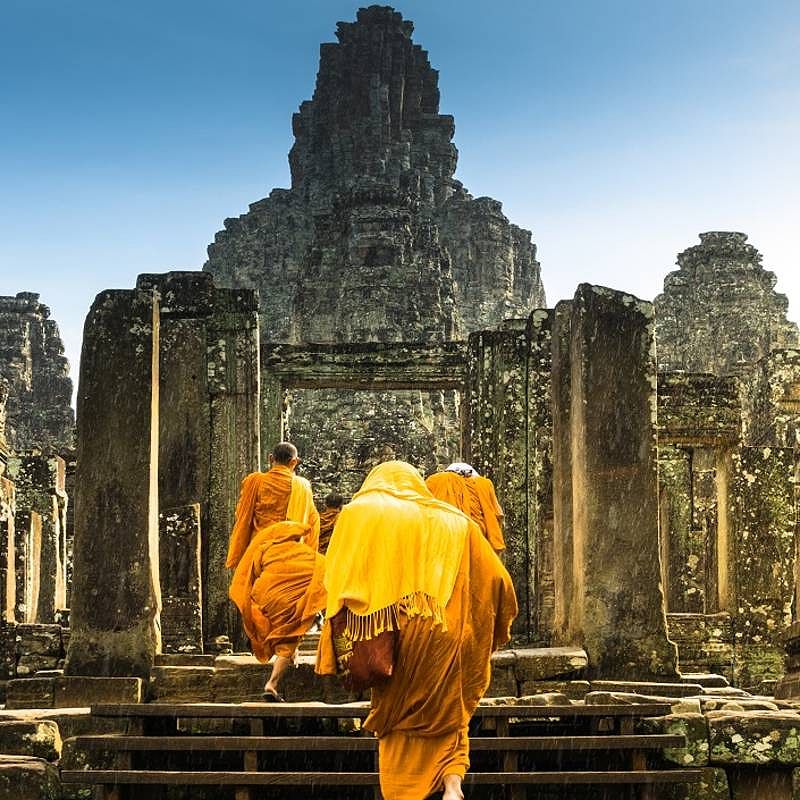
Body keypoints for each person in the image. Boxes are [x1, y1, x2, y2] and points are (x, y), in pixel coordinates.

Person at [316, 461, 517, 800]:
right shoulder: (456, 522)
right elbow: (499, 581)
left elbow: (339, 579)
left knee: (398, 719)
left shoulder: (362, 512)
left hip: (396, 632)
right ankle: (451, 785)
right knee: (450, 709)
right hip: (448, 633)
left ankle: (404, 791)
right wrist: (487, 627)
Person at [227, 442, 324, 701]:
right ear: (295, 462)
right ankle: (274, 678)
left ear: (270, 458)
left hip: (263, 557)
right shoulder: (302, 486)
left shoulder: (255, 482)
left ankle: (266, 648)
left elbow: (243, 519)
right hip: (292, 556)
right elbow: (311, 525)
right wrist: (308, 557)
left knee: (262, 607)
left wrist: (241, 556)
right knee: (294, 618)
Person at [425, 462, 506, 554]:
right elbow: (496, 518)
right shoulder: (484, 484)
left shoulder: (435, 481)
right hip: (476, 541)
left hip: (444, 540)